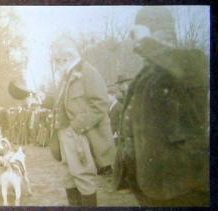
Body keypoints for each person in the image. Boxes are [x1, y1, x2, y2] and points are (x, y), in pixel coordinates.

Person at [114, 7, 208, 206]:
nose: (136, 43)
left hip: (180, 184)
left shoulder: (194, 60)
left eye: (138, 35)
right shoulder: (147, 74)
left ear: (160, 34)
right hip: (149, 182)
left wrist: (146, 41)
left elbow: (182, 66)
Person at [44, 36, 115, 207]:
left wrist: (75, 128)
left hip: (78, 135)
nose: (56, 64)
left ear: (66, 57)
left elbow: (100, 104)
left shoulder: (88, 72)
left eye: (57, 60)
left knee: (82, 177)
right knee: (68, 177)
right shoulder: (66, 76)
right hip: (65, 136)